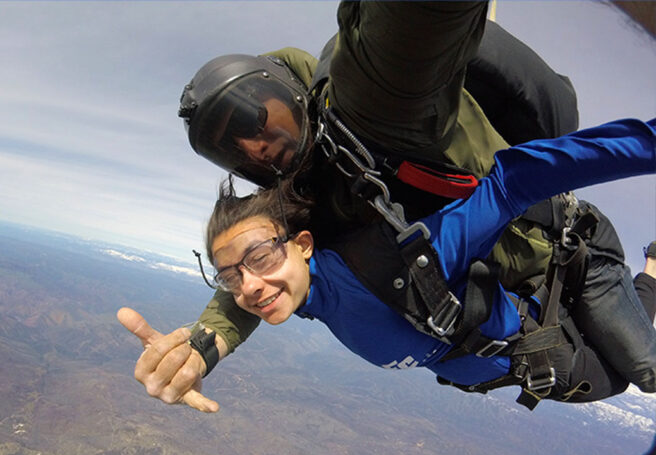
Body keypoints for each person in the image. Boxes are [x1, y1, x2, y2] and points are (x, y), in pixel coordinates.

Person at [122, 2, 590, 411]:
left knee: (639, 369)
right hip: (507, 320)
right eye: (233, 148)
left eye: (255, 116)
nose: (255, 147)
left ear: (287, 89)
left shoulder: (369, 106)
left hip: (555, 257)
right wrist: (207, 342)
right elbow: (254, 260)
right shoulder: (297, 197)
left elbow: (406, 30)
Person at [196, 118, 656, 406]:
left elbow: (511, 184)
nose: (249, 287)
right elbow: (254, 288)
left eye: (259, 257)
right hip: (545, 368)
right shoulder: (304, 295)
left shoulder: (400, 262)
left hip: (577, 282)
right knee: (622, 368)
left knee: (644, 373)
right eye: (230, 276)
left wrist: (649, 144)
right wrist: (201, 349)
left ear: (304, 244)